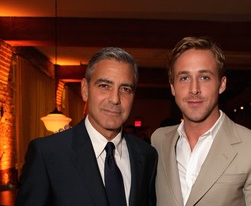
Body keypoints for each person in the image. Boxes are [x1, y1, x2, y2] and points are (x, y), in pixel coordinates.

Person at [16, 47, 158, 206]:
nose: (115, 99)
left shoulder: (146, 155)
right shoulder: (48, 154)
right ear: (85, 90)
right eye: (104, 85)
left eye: (125, 89)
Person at [151, 36, 251, 206]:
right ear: (173, 87)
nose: (194, 89)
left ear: (222, 84)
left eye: (204, 77)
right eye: (184, 78)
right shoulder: (159, 140)